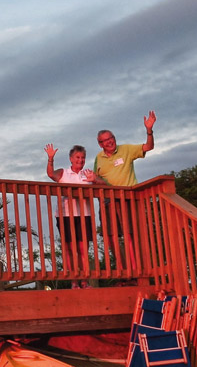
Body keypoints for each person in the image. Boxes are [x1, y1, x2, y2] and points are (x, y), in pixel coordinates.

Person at [93, 110, 156, 276]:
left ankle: (136, 270)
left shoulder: (126, 149)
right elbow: (96, 180)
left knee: (131, 234)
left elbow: (149, 147)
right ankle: (122, 270)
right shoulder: (98, 158)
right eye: (105, 141)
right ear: (100, 144)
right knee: (111, 237)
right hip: (107, 202)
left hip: (128, 198)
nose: (109, 142)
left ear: (115, 138)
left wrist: (149, 130)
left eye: (111, 138)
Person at [45, 144, 97, 289]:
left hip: (83, 215)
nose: (80, 160)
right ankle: (74, 281)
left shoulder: (87, 174)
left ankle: (84, 281)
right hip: (65, 215)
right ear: (71, 159)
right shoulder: (63, 173)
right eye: (77, 157)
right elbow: (51, 174)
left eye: (83, 158)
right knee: (68, 248)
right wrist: (50, 159)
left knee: (82, 249)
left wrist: (95, 180)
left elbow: (100, 184)